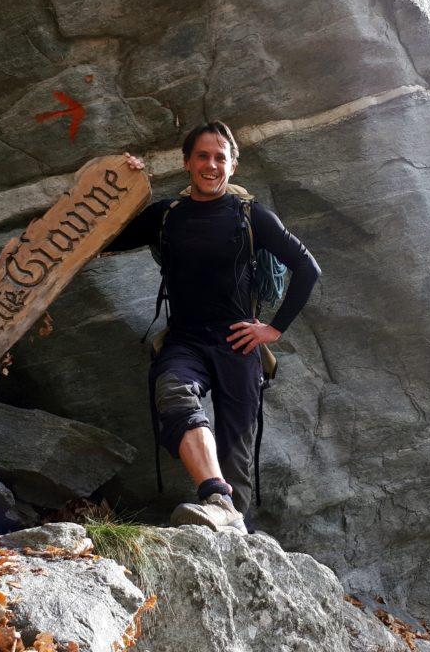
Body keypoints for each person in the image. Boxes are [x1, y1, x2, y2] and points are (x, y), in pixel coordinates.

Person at [107, 121, 320, 534]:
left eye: (220, 157)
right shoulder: (166, 216)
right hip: (185, 340)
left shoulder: (252, 217)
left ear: (232, 166)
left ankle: (235, 531)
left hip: (238, 346)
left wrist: (272, 330)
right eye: (202, 156)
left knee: (236, 454)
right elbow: (102, 237)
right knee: (173, 392)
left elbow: (307, 268)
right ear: (187, 162)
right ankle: (214, 494)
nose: (210, 164)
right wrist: (122, 179)